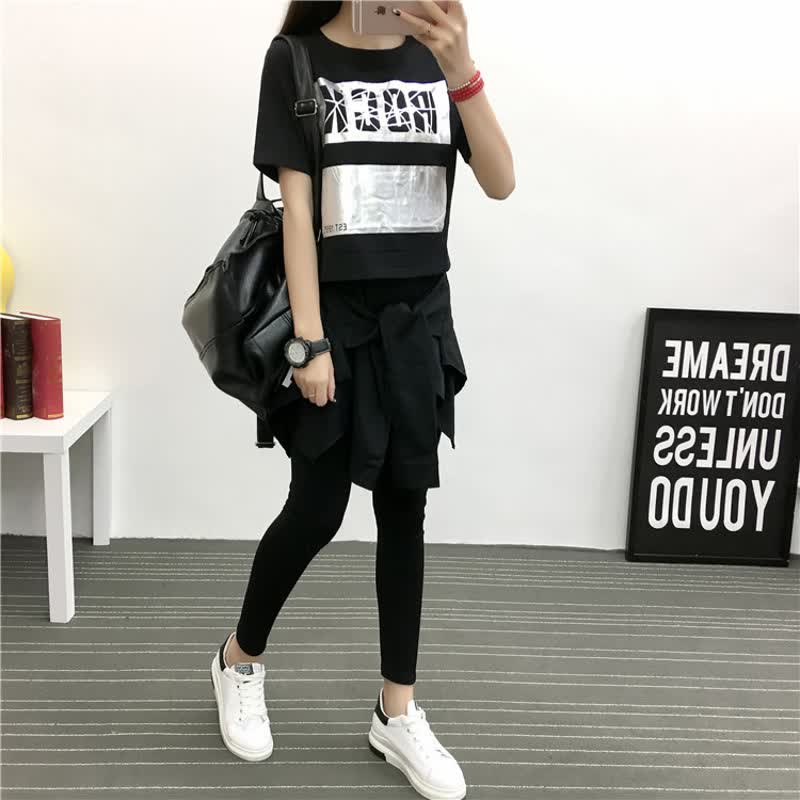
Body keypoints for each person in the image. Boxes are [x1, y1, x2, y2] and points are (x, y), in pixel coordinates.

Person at [209, 2, 514, 798]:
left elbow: (501, 181)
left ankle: (396, 712)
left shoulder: (437, 61)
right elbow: (298, 210)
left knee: (404, 510)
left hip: (417, 323)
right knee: (317, 509)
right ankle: (238, 659)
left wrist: (463, 71)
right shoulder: (296, 59)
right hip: (335, 323)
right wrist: (308, 342)